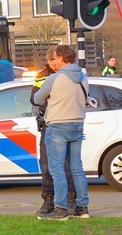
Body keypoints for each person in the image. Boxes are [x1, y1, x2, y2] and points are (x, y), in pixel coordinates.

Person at [31, 45, 90, 220]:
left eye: (55, 58)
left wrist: (50, 96)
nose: (53, 61)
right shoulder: (83, 77)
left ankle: (61, 209)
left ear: (61, 58)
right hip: (78, 124)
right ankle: (82, 208)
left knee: (56, 169)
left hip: (58, 125)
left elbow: (37, 99)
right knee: (77, 168)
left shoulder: (54, 78)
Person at [30, 47, 74, 217]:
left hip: (65, 121)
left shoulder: (70, 73)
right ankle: (48, 199)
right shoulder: (42, 75)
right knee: (47, 165)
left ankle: (71, 199)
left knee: (68, 164)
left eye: (56, 62)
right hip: (48, 124)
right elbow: (34, 98)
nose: (54, 66)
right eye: (51, 63)